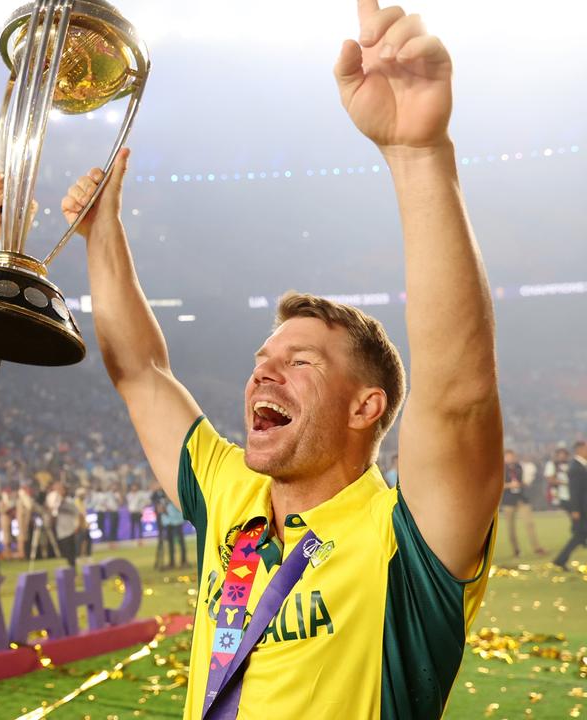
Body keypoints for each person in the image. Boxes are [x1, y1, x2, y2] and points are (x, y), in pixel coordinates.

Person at [59, 3, 502, 716]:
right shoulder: (229, 494)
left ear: (367, 406)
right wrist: (101, 234)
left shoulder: (405, 544)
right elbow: (141, 372)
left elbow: (460, 396)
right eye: (264, 357)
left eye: (301, 363)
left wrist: (419, 153)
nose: (265, 371)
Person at [502, 450, 544, 557]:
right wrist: (509, 485)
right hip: (508, 501)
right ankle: (516, 550)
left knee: (529, 524)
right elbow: (496, 485)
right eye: (508, 457)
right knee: (510, 528)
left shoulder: (519, 467)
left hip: (521, 499)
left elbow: (524, 481)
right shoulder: (500, 469)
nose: (510, 458)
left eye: (512, 456)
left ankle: (537, 548)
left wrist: (522, 483)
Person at [553, 441, 587, 571]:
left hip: (583, 507)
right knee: (579, 535)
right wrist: (575, 509)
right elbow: (574, 491)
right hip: (581, 508)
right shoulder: (575, 468)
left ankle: (560, 560)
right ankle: (560, 559)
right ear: (580, 450)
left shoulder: (581, 466)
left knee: (579, 535)